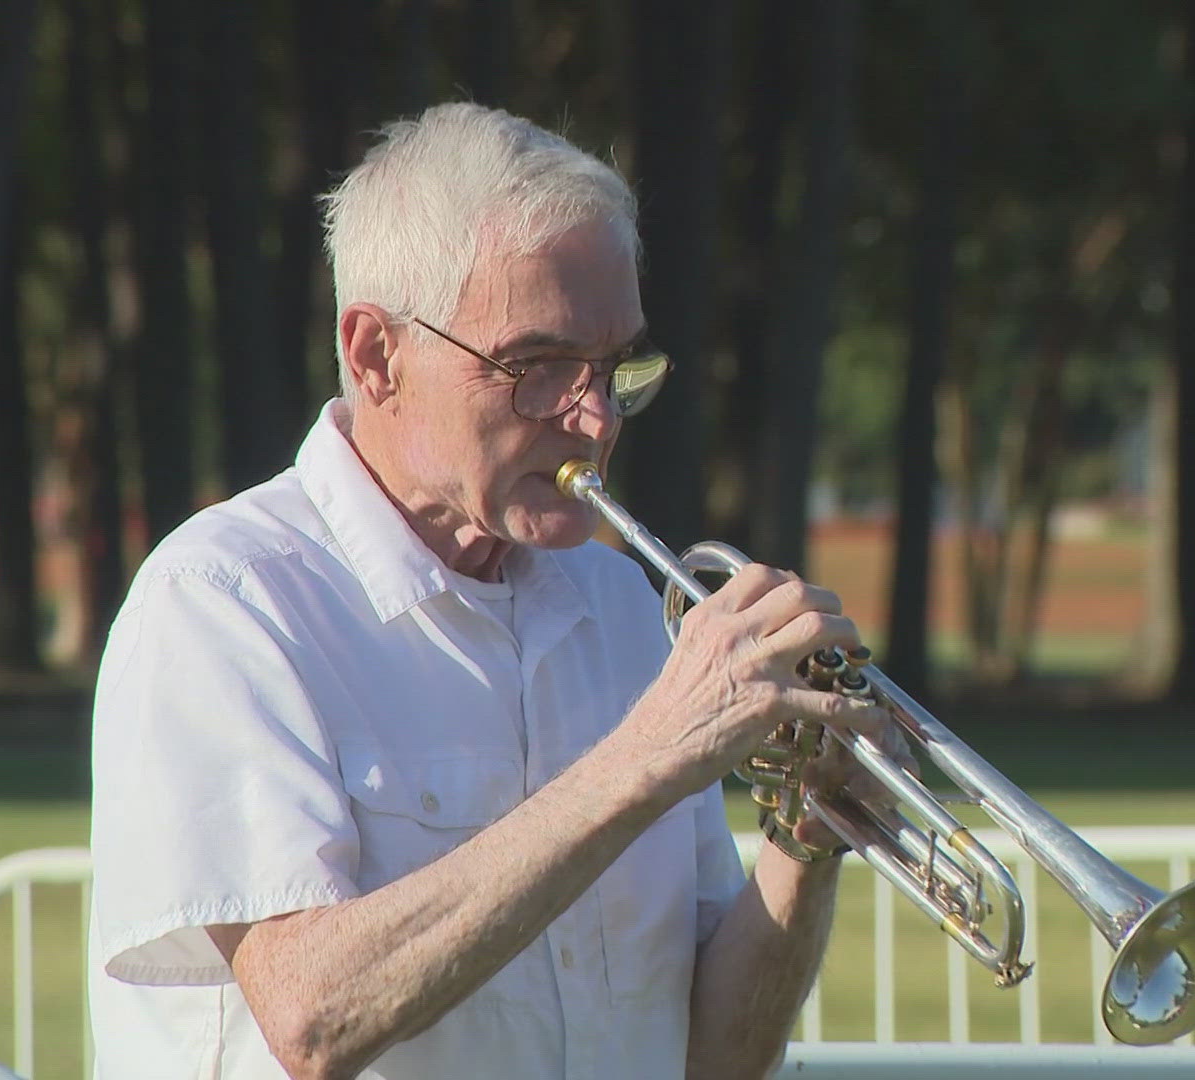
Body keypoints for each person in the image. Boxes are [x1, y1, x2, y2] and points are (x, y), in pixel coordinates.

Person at [88, 102, 889, 1080]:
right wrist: (649, 758)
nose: (593, 421)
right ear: (376, 355)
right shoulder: (225, 601)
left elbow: (716, 1059)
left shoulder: (621, 605)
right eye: (538, 366)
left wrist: (806, 834)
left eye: (615, 367)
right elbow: (313, 1018)